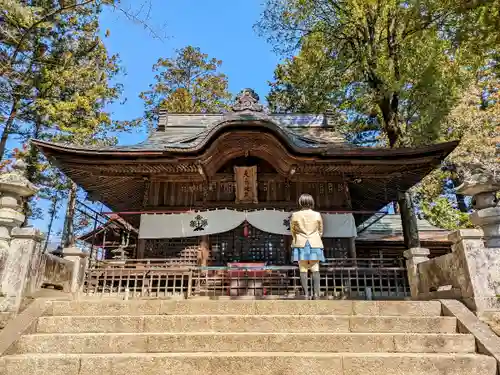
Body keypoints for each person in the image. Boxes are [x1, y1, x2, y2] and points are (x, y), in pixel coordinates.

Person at [290, 194, 325, 299]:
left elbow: (293, 230)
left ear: (300, 202)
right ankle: (316, 294)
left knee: (303, 268)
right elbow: (320, 230)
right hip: (314, 242)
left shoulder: (295, 215)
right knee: (315, 268)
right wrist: (315, 237)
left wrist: (298, 237)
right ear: (311, 202)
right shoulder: (317, 214)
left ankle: (305, 294)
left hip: (300, 242)